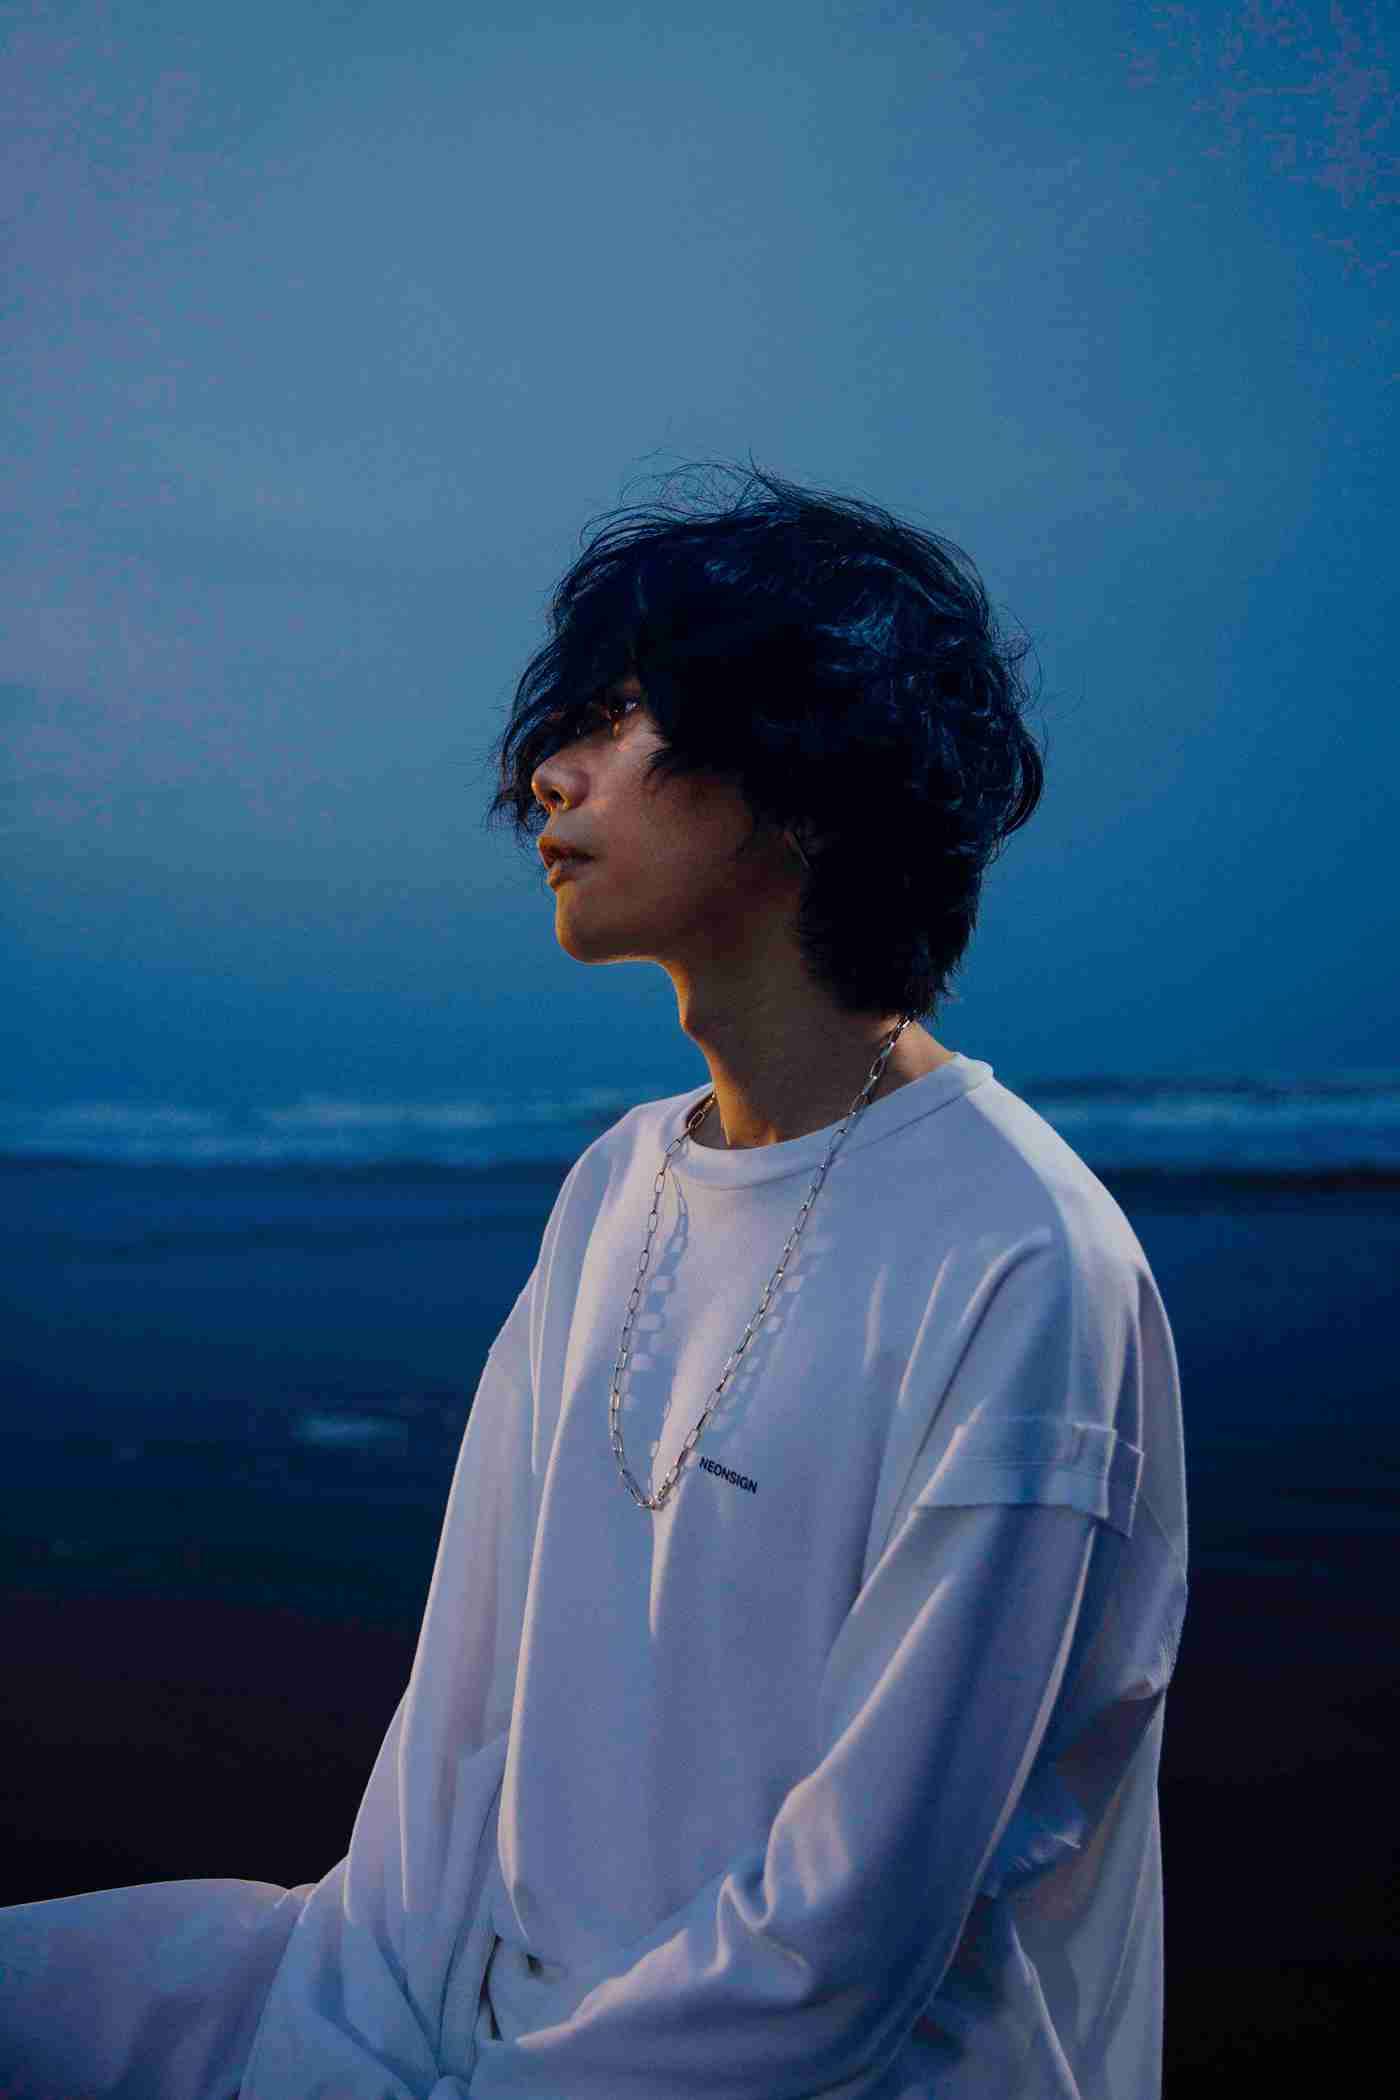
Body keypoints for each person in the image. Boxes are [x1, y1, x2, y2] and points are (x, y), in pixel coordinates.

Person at [0, 458, 1188, 2098]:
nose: (546, 776)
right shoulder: (618, 1185)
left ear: (808, 775)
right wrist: (377, 2034)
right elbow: (461, 1727)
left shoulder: (1024, 1258)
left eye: (623, 718)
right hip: (466, 2003)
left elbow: (849, 1946)